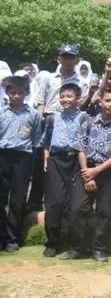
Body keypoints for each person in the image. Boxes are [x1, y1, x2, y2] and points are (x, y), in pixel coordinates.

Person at [61, 88, 111, 262]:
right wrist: (87, 173)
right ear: (100, 102)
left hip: (107, 172)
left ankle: (99, 248)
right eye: (108, 100)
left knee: (104, 211)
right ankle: (77, 247)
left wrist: (96, 171)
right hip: (86, 170)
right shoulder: (88, 123)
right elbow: (80, 148)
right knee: (77, 208)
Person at [32, 45, 89, 213]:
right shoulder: (48, 78)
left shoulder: (82, 81)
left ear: (77, 60)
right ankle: (35, 201)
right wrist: (39, 120)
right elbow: (40, 100)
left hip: (72, 120)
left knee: (69, 167)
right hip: (49, 119)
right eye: (64, 57)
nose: (68, 60)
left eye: (71, 57)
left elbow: (83, 102)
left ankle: (66, 202)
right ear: (59, 59)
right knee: (42, 164)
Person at [41, 83, 86, 257]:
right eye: (62, 96)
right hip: (55, 160)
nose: (65, 99)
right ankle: (52, 242)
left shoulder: (83, 118)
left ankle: (69, 240)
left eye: (69, 96)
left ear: (78, 98)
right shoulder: (53, 118)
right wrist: (46, 158)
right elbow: (46, 142)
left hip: (75, 160)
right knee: (54, 202)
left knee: (72, 203)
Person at [0, 76, 44, 252]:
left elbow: (37, 140)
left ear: (26, 93)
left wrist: (34, 164)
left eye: (20, 93)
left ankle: (12, 238)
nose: (17, 96)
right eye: (13, 93)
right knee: (1, 198)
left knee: (18, 199)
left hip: (23, 158)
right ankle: (1, 235)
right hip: (2, 155)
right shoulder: (2, 112)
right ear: (7, 93)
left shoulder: (33, 115)